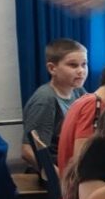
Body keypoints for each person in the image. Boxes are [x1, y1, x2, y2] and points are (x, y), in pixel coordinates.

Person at [21, 37, 88, 170]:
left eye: (84, 64)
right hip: (58, 169)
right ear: (52, 69)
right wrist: (56, 175)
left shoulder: (78, 91)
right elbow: (28, 151)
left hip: (75, 161)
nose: (81, 70)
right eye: (73, 65)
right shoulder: (45, 100)